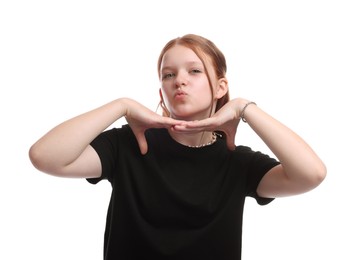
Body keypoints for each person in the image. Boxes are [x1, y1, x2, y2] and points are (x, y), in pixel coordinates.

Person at [29, 34, 326, 260]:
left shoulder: (238, 162)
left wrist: (244, 108)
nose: (179, 81)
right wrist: (122, 106)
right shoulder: (127, 145)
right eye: (168, 75)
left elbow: (311, 174)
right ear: (161, 91)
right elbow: (45, 157)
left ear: (220, 87)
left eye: (194, 71)